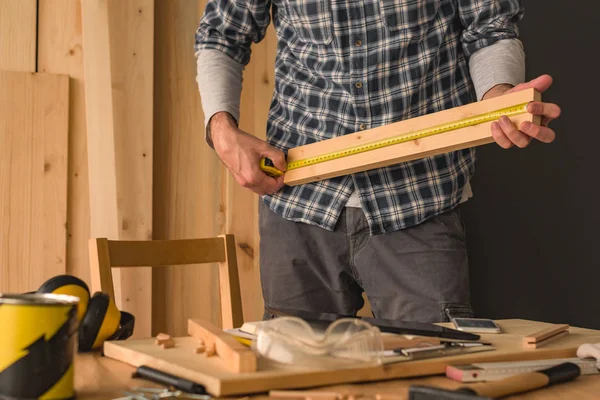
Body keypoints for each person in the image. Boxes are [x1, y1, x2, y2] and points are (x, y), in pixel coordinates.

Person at [194, 0, 560, 323]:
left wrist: (498, 103)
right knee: (293, 374)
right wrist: (222, 132)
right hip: (299, 202)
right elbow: (220, 34)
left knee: (429, 370)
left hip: (420, 197)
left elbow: (490, 27)